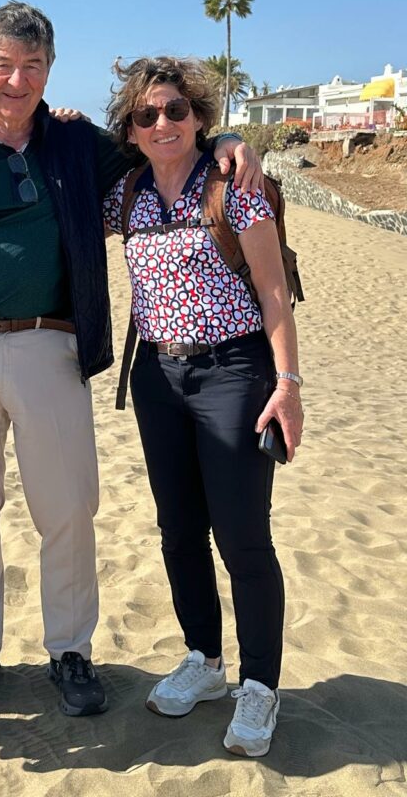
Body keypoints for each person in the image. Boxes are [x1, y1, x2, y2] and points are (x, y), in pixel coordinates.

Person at [0, 2, 260, 717]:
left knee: (68, 511)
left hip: (51, 347)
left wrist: (231, 137)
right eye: (4, 65)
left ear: (49, 70)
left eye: (32, 66)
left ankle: (71, 652)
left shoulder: (79, 142)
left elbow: (166, 142)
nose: (17, 80)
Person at [102, 56, 303, 756]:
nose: (162, 123)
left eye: (175, 110)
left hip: (234, 373)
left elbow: (273, 293)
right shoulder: (125, 195)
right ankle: (206, 661)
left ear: (198, 117)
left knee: (242, 537)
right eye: (146, 114)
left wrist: (287, 385)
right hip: (157, 377)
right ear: (130, 127)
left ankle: (260, 686)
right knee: (179, 530)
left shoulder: (232, 188)